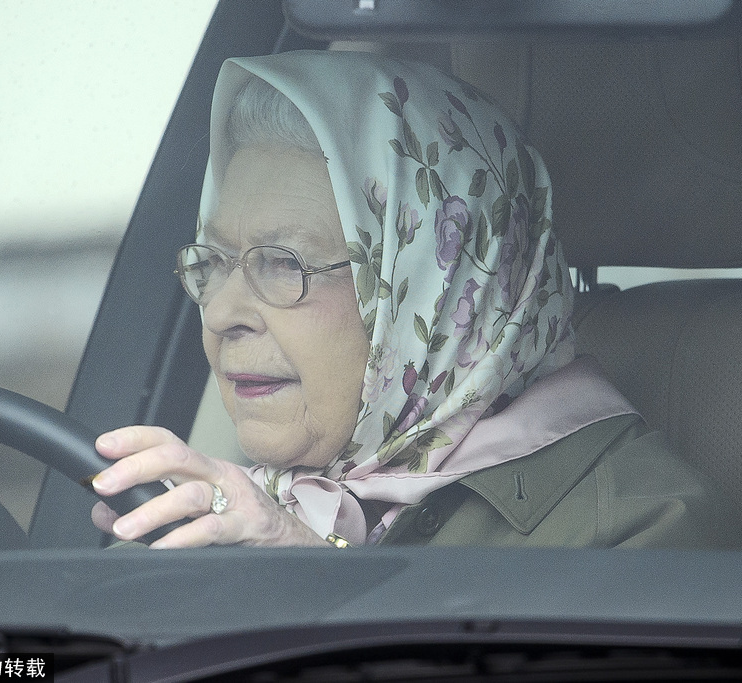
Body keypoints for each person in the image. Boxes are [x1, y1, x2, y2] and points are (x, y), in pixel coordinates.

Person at [89, 50, 735, 549]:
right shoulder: (241, 502)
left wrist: (305, 571)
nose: (222, 313)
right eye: (213, 262)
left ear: (439, 280)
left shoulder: (641, 527)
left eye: (282, 263)